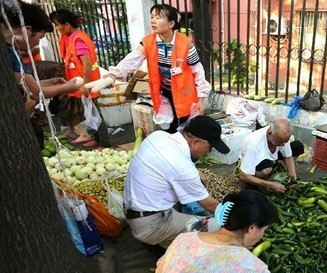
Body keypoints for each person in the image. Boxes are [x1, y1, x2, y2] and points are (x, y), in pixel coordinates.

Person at [124, 115, 230, 248]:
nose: (208, 153)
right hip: (150, 225)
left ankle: (170, 240)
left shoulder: (157, 136)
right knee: (217, 226)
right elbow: (211, 205)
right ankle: (170, 245)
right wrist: (239, 220)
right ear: (195, 142)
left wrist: (195, 172)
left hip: (133, 211)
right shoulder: (183, 168)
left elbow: (170, 165)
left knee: (188, 207)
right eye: (210, 148)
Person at [103, 4, 211, 133]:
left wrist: (201, 99)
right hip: (164, 92)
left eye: (158, 17)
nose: (153, 21)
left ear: (171, 23)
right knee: (169, 127)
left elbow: (198, 71)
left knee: (186, 126)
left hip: (185, 94)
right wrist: (113, 75)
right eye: (152, 17)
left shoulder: (186, 44)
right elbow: (133, 59)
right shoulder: (148, 41)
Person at [1, 1, 79, 148]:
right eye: (40, 37)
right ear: (27, 30)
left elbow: (22, 84)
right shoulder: (9, 55)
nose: (37, 44)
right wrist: (67, 87)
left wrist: (49, 82)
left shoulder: (9, 49)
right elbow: (36, 93)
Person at [154, 190, 276, 273]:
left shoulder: (184, 239)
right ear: (252, 228)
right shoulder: (254, 270)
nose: (262, 235)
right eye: (263, 229)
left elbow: (160, 271)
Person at [49, 9, 110, 147]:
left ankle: (105, 144)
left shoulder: (78, 40)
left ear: (67, 25)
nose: (57, 28)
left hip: (89, 83)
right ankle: (96, 139)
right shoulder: (72, 37)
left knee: (95, 113)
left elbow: (87, 64)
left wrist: (84, 86)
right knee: (89, 112)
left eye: (58, 25)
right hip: (84, 82)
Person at [238, 118, 304, 193]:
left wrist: (293, 177)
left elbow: (288, 157)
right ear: (269, 133)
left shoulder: (281, 137)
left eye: (285, 141)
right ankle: (264, 177)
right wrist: (268, 184)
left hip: (271, 157)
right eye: (280, 141)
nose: (283, 145)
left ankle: (277, 165)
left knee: (298, 146)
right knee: (267, 169)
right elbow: (242, 175)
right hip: (254, 160)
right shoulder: (253, 143)